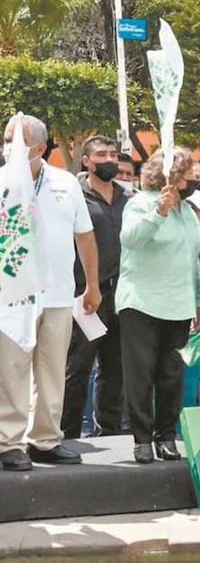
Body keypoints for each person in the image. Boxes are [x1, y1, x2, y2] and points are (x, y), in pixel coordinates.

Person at [0, 114, 100, 471]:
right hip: (11, 296)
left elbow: (84, 235)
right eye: (7, 139)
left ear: (39, 147)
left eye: (17, 141)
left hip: (58, 294)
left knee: (53, 368)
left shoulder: (65, 182)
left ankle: (45, 440)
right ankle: (7, 443)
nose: (8, 147)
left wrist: (92, 284)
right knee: (11, 370)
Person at [116, 149, 200, 463]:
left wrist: (197, 299)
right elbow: (131, 239)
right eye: (189, 172)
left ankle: (166, 436)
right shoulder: (140, 203)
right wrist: (158, 213)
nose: (194, 178)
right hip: (141, 302)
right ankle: (141, 439)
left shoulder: (189, 211)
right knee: (141, 374)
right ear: (173, 175)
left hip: (178, 304)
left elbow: (192, 258)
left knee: (171, 375)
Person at [61, 136, 128, 440]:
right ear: (85, 160)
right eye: (101, 154)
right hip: (86, 295)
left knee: (115, 369)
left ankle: (110, 432)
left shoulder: (129, 198)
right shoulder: (74, 197)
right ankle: (67, 433)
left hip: (123, 295)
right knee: (77, 368)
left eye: (113, 154)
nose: (109, 159)